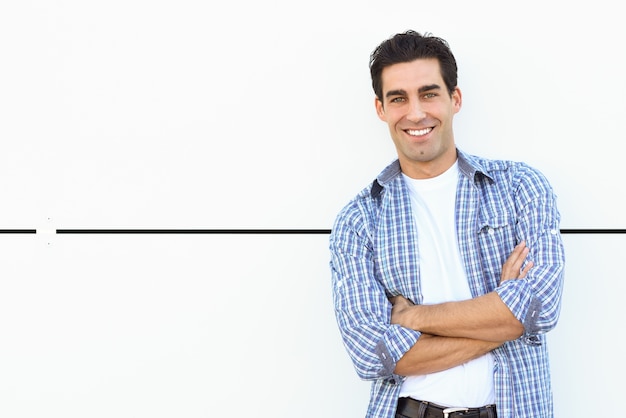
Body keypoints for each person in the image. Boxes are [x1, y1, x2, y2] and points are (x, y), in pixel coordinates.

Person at [329, 30, 565, 418]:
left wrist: (411, 318)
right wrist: (502, 316)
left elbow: (539, 307)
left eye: (429, 93)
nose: (416, 113)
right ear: (381, 109)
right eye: (398, 98)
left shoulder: (520, 187)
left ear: (455, 99)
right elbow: (372, 354)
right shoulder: (359, 221)